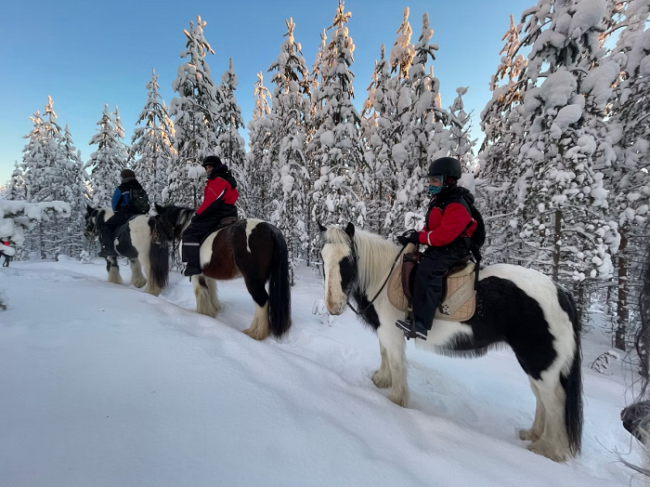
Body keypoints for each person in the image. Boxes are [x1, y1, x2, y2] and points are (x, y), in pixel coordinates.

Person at [395, 157, 479, 340]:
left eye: (435, 180)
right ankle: (412, 309)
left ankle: (421, 324)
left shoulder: (457, 203)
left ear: (448, 180)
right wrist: (414, 237)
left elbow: (444, 235)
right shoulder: (440, 200)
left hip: (455, 248)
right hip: (444, 247)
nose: (430, 184)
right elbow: (431, 228)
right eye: (430, 180)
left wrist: (422, 237)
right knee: (417, 263)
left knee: (429, 271)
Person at [181, 156, 239, 277]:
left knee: (189, 233)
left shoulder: (218, 180)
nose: (208, 170)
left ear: (216, 167)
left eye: (210, 167)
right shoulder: (224, 179)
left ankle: (193, 265)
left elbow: (211, 201)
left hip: (218, 213)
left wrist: (198, 214)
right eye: (206, 167)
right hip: (227, 211)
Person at [99, 169, 148, 257]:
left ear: (123, 177)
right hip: (140, 214)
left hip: (125, 214)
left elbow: (115, 203)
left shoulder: (122, 188)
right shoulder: (139, 187)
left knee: (106, 226)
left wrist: (117, 212)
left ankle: (108, 249)